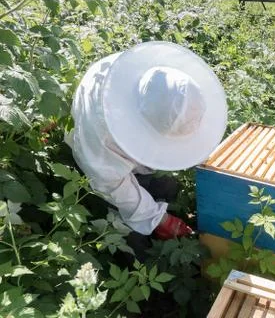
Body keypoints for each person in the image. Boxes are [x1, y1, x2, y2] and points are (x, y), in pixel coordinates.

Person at [67, 41, 227, 241]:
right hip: (100, 160)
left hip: (129, 139)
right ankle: (141, 260)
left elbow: (180, 114)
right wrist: (159, 220)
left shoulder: (170, 84)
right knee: (129, 233)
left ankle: (162, 206)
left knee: (166, 184)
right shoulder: (102, 130)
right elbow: (111, 184)